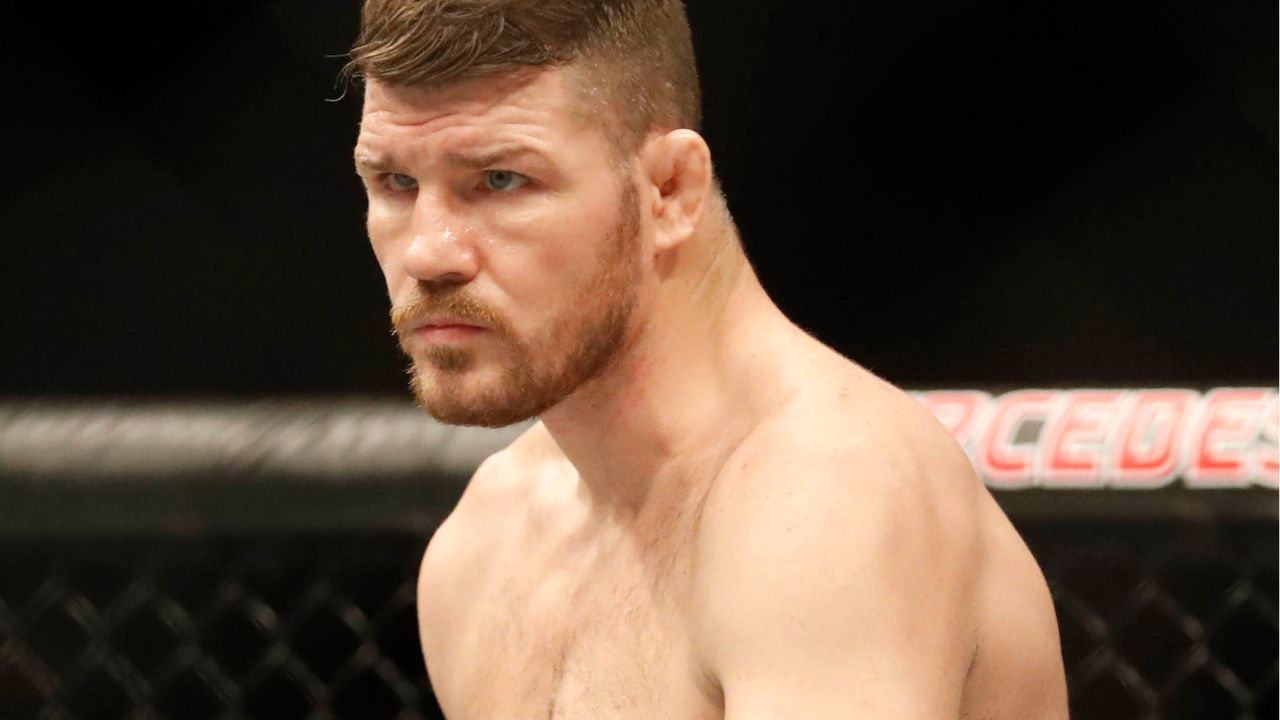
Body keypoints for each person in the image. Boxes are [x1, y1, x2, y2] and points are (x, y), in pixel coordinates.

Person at [347, 0, 1069, 717]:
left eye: (501, 181)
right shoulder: (485, 549)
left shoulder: (823, 501)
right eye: (396, 184)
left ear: (670, 189)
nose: (428, 252)